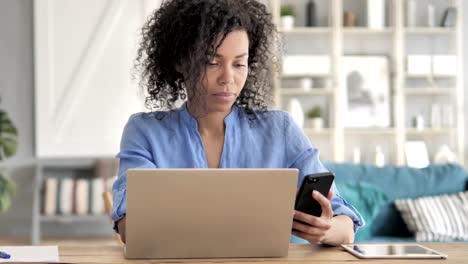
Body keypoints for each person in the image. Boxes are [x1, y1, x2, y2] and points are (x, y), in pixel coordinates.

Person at [112, 0, 363, 245]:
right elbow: (131, 228)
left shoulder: (280, 131)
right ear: (180, 62)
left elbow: (346, 226)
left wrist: (326, 229)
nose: (228, 78)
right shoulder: (145, 132)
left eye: (239, 64)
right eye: (212, 62)